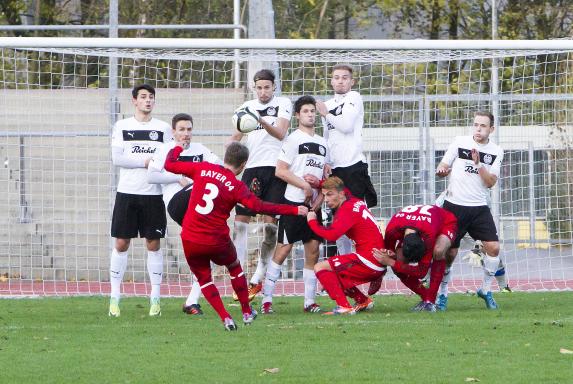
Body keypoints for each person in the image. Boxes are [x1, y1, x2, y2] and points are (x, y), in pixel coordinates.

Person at [164, 142, 308, 331]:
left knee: (205, 279)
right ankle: (247, 312)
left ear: (225, 157)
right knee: (234, 269)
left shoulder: (203, 168)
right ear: (243, 165)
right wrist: (295, 209)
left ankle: (226, 318)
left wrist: (178, 148)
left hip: (190, 237)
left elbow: (170, 165)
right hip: (217, 240)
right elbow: (260, 207)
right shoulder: (236, 186)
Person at [227, 69, 293, 300]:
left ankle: (258, 275)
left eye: (267, 87)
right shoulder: (246, 107)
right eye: (259, 87)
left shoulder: (283, 103)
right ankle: (240, 275)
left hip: (276, 170)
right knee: (240, 222)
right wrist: (225, 163)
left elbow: (281, 133)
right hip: (252, 169)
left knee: (270, 227)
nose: (263, 91)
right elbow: (235, 138)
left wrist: (260, 120)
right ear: (254, 87)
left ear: (274, 87)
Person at [147, 113, 221, 316]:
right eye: (181, 130)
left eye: (189, 130)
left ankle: (192, 301)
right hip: (178, 202)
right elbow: (151, 175)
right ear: (173, 132)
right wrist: (177, 177)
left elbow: (220, 167)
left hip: (198, 207)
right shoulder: (165, 150)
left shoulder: (201, 150)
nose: (185, 134)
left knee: (213, 244)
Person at [108, 84, 171, 317]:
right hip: (127, 192)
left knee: (153, 244)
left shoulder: (163, 128)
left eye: (151, 97)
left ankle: (155, 298)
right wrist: (145, 161)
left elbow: (168, 157)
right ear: (134, 100)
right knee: (121, 243)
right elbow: (117, 158)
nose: (148, 101)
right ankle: (114, 297)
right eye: (143, 97)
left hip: (153, 194)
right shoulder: (122, 126)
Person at [260, 95, 327, 314]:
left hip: (313, 207)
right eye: (305, 111)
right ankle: (267, 299)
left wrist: (319, 195)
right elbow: (281, 170)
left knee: (314, 250)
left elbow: (326, 177)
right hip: (293, 203)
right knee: (284, 249)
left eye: (312, 111)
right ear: (297, 115)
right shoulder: (292, 139)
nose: (310, 115)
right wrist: (303, 186)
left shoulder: (323, 142)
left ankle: (309, 302)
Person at [435, 111, 505, 310]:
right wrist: (442, 170)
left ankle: (485, 289)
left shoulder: (496, 151)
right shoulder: (459, 142)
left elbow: (491, 182)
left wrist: (479, 164)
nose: (478, 129)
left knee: (493, 248)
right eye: (476, 125)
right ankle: (442, 294)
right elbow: (443, 165)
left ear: (491, 129)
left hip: (479, 208)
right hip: (454, 206)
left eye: (483, 126)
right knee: (449, 252)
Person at [316, 63, 377, 256]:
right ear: (331, 81)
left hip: (353, 167)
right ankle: (344, 265)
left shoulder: (354, 97)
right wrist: (326, 161)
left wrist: (325, 113)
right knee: (337, 221)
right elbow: (327, 136)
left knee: (358, 218)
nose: (340, 81)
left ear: (352, 81)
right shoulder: (327, 104)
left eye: (344, 77)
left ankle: (369, 260)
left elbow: (346, 125)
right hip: (336, 170)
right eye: (336, 77)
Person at [308, 177, 386, 315]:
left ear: (342, 193)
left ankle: (344, 307)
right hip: (377, 259)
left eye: (330, 194)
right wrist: (320, 183)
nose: (325, 200)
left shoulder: (347, 209)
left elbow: (331, 236)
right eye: (324, 195)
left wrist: (312, 221)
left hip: (369, 260)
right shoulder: (355, 200)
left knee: (320, 267)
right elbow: (344, 189)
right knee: (334, 273)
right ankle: (362, 300)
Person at [373, 204, 457, 312]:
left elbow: (421, 272)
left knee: (438, 250)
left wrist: (391, 262)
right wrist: (389, 261)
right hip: (420, 224)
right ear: (402, 244)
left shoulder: (428, 235)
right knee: (398, 263)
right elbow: (389, 253)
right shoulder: (391, 230)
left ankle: (430, 300)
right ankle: (426, 297)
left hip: (446, 221)